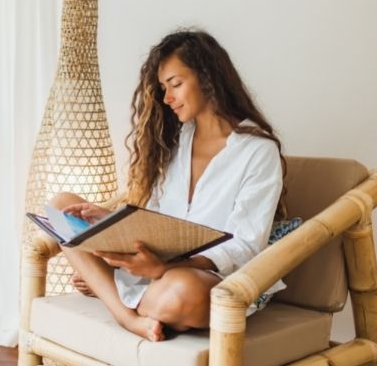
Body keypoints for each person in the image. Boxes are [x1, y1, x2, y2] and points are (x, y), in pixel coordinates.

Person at [49, 28, 287, 342]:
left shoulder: (257, 151)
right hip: (155, 268)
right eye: (163, 87)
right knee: (60, 203)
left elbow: (245, 245)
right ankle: (128, 317)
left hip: (207, 278)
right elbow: (155, 218)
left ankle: (109, 291)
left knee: (183, 291)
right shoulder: (175, 142)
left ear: (207, 77)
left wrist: (165, 267)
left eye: (175, 84)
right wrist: (106, 222)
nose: (167, 98)